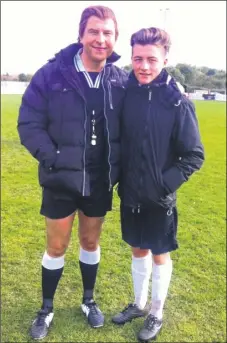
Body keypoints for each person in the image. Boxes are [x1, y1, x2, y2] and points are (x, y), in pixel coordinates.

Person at [17, 5, 127, 340]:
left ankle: (88, 301)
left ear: (114, 38)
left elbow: (149, 99)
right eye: (94, 31)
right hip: (61, 178)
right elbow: (29, 122)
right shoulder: (52, 74)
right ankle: (46, 308)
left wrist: (174, 88)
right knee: (56, 246)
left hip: (98, 180)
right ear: (81, 35)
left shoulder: (120, 80)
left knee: (90, 241)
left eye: (107, 33)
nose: (100, 39)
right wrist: (53, 157)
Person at [112, 27, 204, 341]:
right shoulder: (126, 93)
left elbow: (194, 154)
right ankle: (138, 304)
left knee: (159, 253)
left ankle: (156, 312)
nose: (144, 66)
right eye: (138, 58)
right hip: (130, 194)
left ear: (165, 58)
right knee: (137, 249)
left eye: (152, 59)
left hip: (159, 197)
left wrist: (164, 185)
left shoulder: (177, 101)